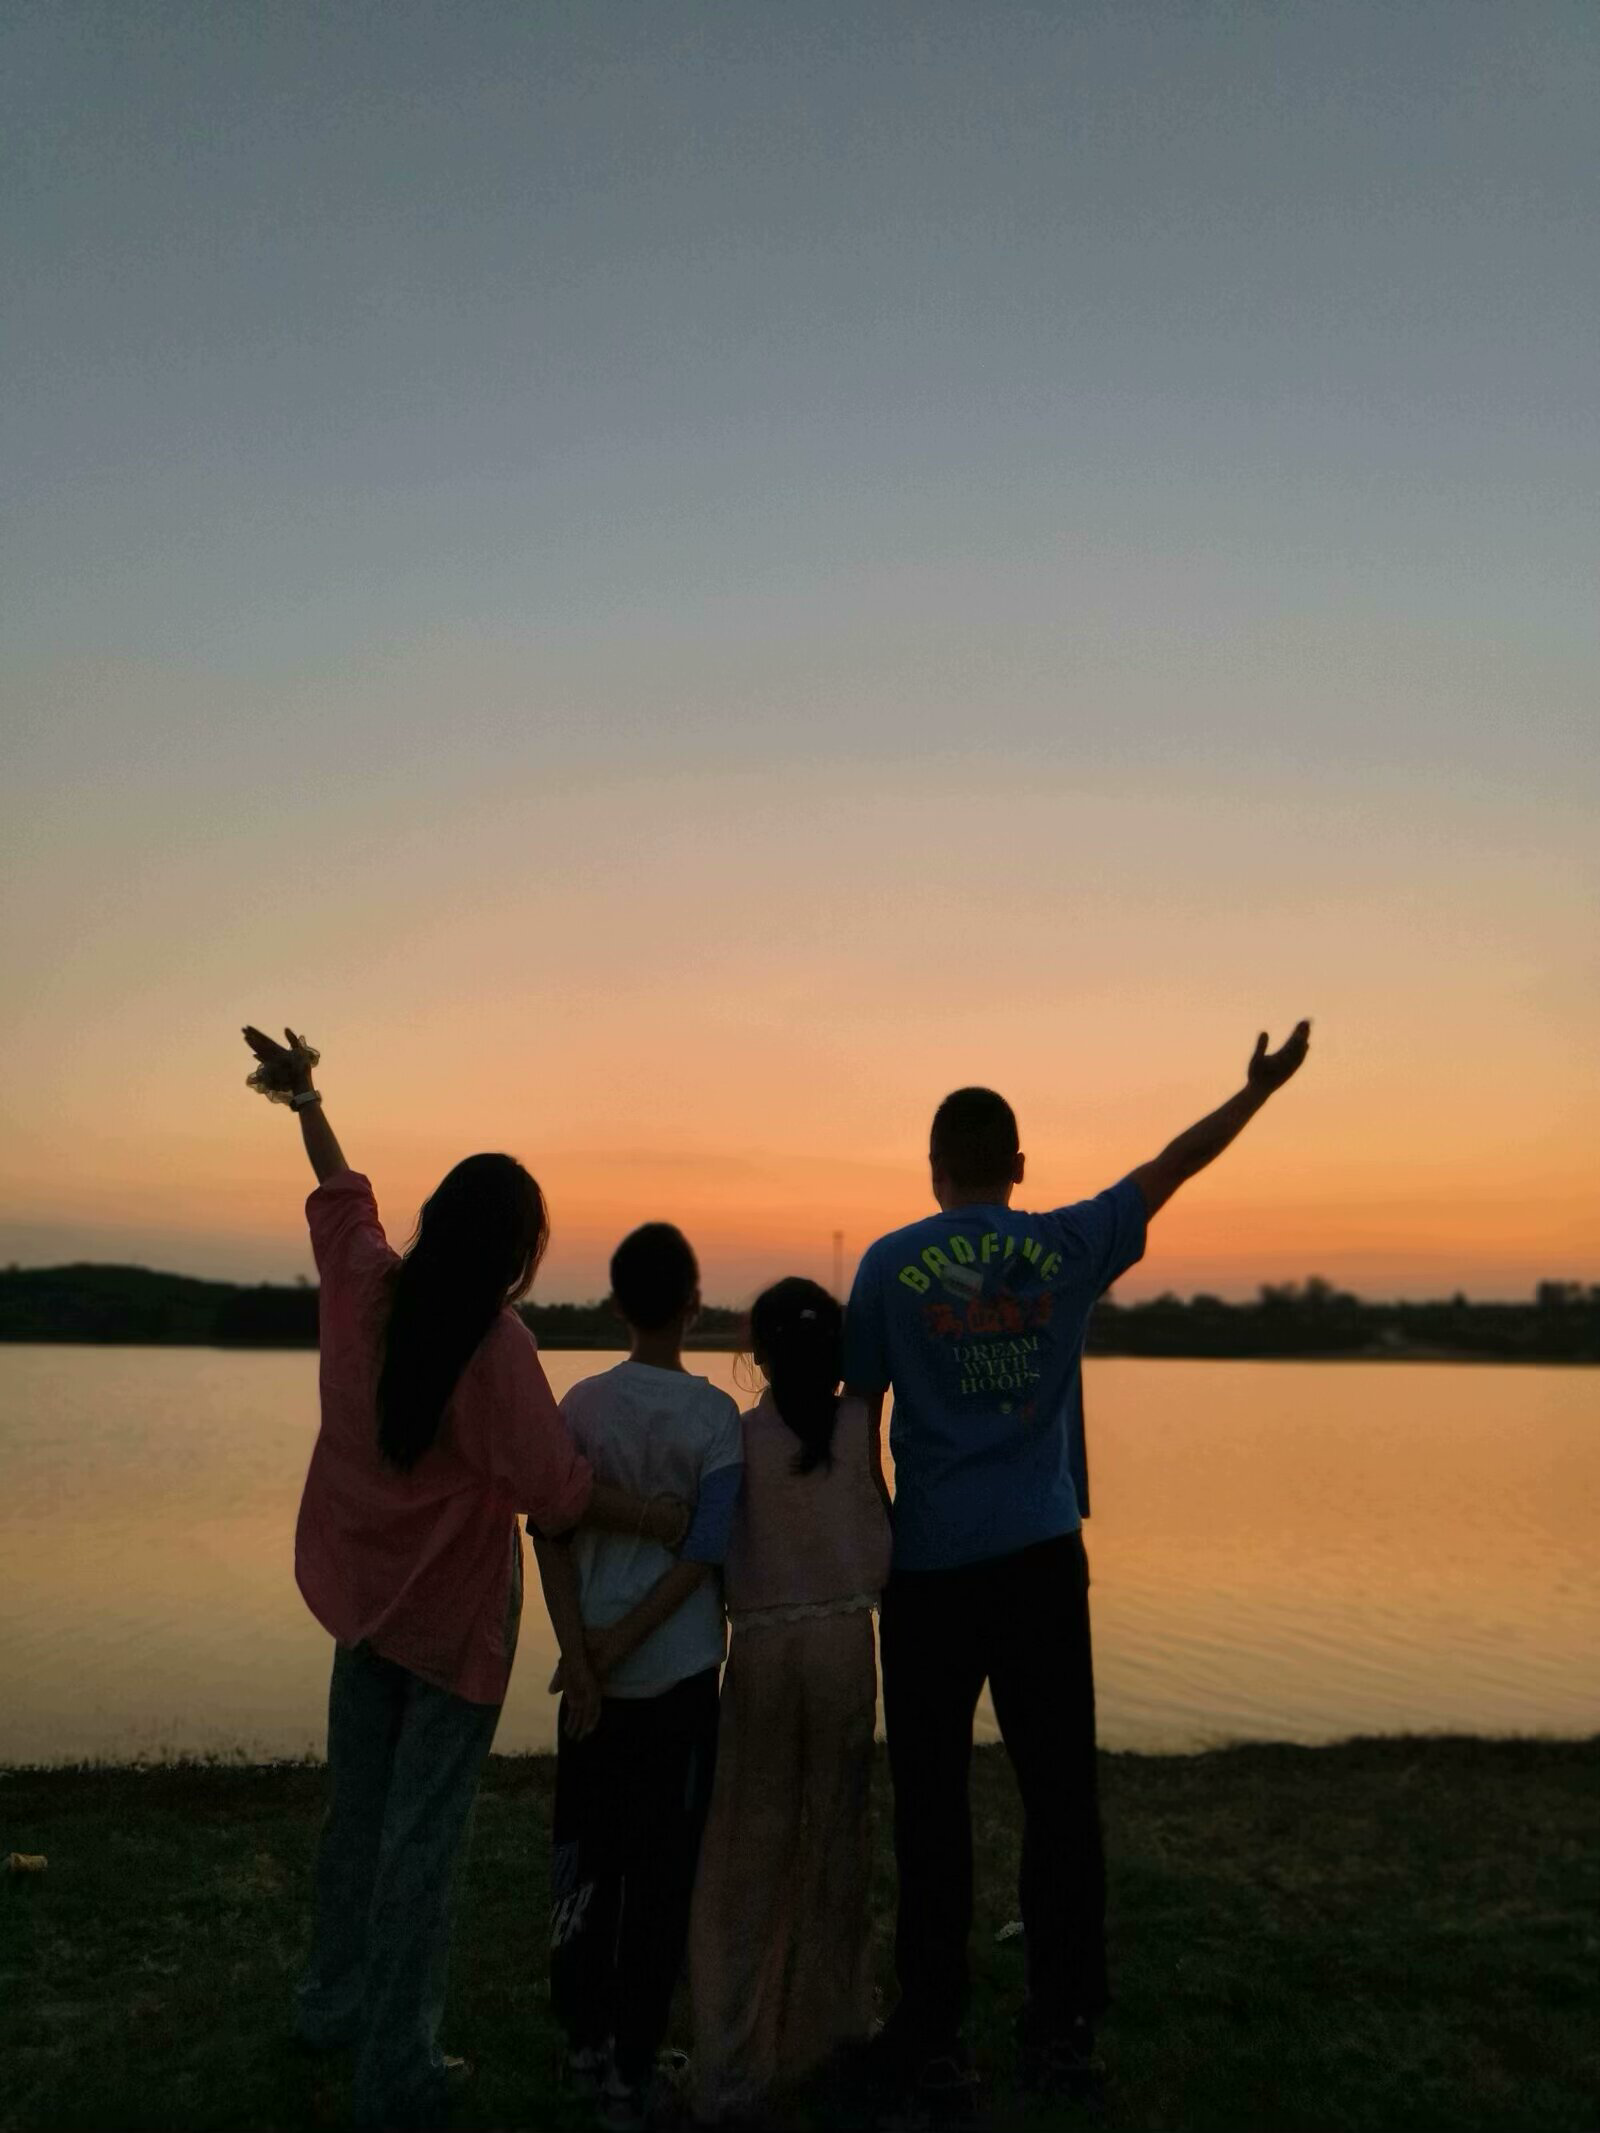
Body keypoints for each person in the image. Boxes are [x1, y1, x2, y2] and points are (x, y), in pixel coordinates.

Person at [843, 1023, 1313, 2111]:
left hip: (928, 1568)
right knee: (1060, 1799)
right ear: (1017, 1164)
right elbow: (1173, 1165)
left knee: (931, 1805)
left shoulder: (886, 1265)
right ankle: (1060, 2035)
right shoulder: (1068, 1242)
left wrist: (878, 1535)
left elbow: (859, 1416)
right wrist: (1255, 1092)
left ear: (933, 1167)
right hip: (1041, 1564)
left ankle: (931, 2036)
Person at [241, 1026, 686, 2131]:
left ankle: (331, 2005)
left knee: (357, 1822)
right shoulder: (497, 1351)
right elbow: (560, 1493)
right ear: (517, 1255)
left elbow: (341, 1193)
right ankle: (397, 2070)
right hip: (449, 1633)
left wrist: (306, 1097)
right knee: (420, 1849)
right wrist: (661, 1517)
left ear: (437, 1220)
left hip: (361, 1607)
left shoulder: (366, 1287)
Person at [531, 1222, 743, 2133]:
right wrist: (615, 1648)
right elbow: (704, 1552)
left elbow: (548, 1534)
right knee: (660, 1875)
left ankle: (584, 2042)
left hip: (593, 1689)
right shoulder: (716, 1418)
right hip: (680, 1683)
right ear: (694, 1305)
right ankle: (631, 2066)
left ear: (617, 1304)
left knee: (586, 1864)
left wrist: (583, 1657)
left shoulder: (579, 1405)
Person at [687, 1277, 893, 2126]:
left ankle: (737, 2053)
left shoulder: (739, 1439)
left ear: (759, 1355)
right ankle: (830, 2031)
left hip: (765, 1650)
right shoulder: (859, 1421)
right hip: (844, 1644)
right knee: (837, 1839)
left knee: (750, 1846)